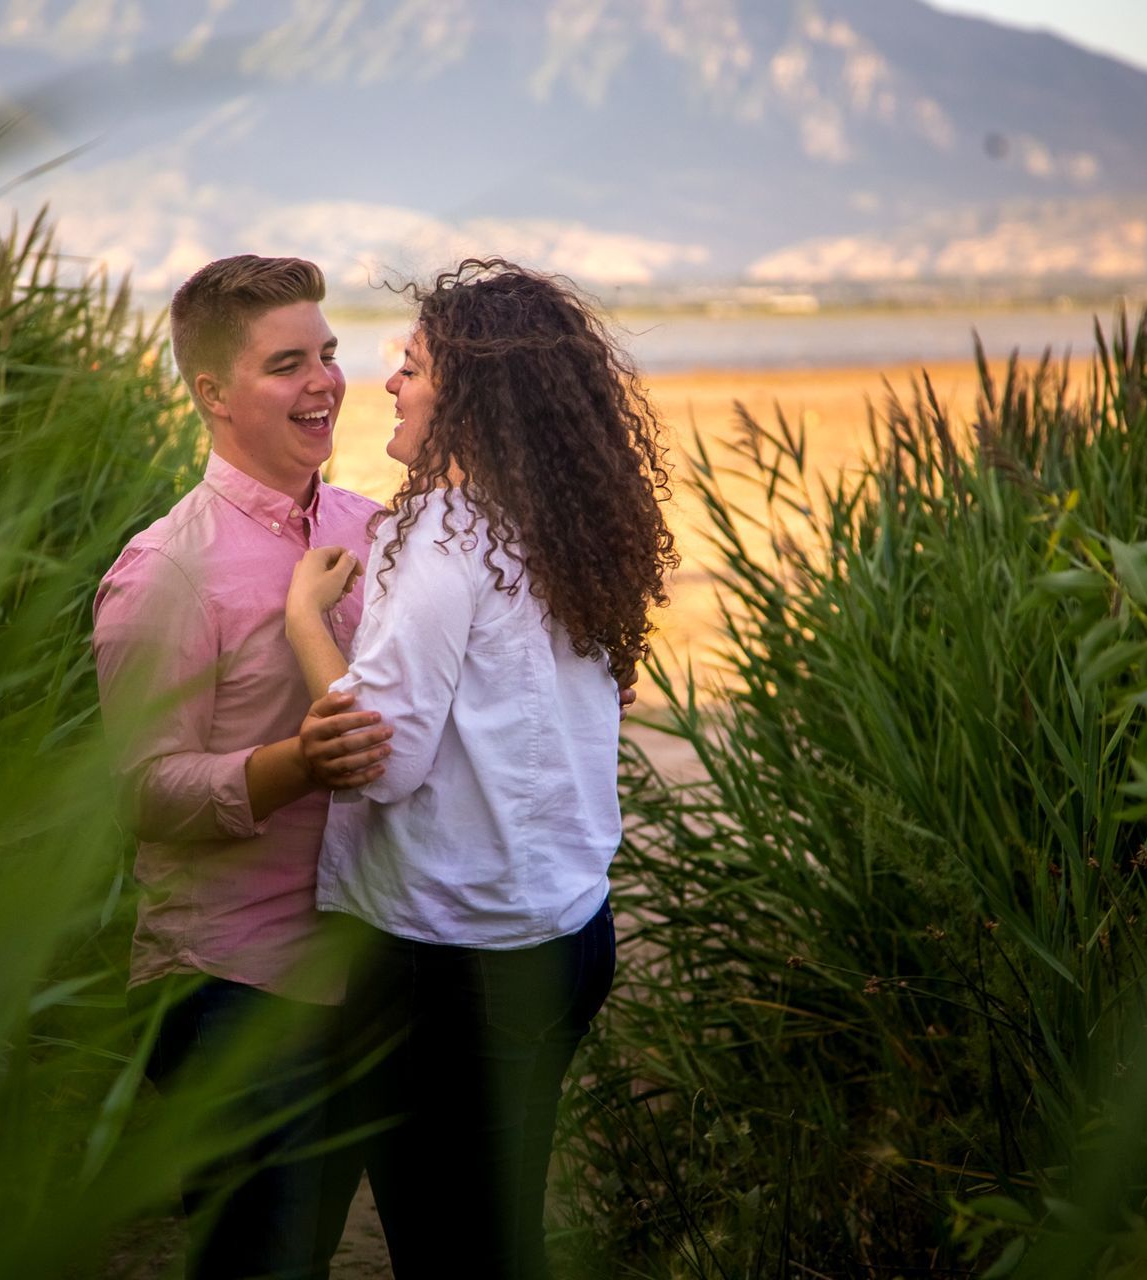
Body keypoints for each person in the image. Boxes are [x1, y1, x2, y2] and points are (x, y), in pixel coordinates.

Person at [284, 259, 677, 1279]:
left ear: (470, 394)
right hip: (567, 933)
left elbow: (378, 761)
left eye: (412, 365)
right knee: (502, 1231)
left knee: (454, 1250)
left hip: (446, 965)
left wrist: (303, 624)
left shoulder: (444, 534)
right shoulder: (574, 528)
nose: (389, 381)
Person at [91, 254, 393, 1280]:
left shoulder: (371, 528)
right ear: (212, 393)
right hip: (232, 984)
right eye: (285, 364)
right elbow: (140, 791)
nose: (324, 382)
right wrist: (293, 764)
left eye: (329, 354)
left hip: (375, 962)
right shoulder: (166, 569)